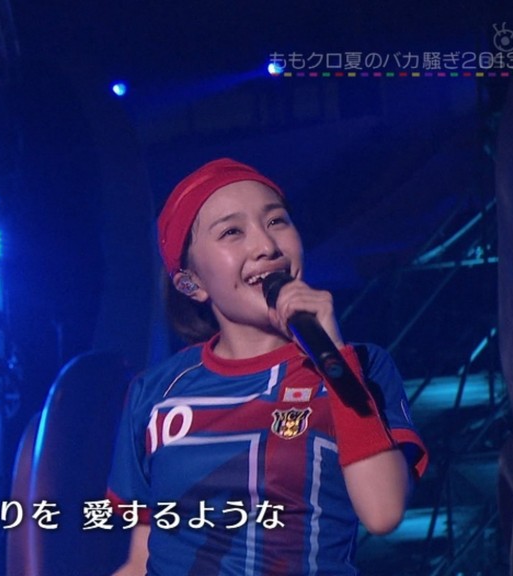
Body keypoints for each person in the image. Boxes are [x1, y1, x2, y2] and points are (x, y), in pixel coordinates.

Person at [106, 158, 428, 575]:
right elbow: (141, 559)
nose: (267, 246)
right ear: (191, 282)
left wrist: (334, 356)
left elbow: (383, 513)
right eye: (232, 232)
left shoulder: (362, 366)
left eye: (277, 221)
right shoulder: (154, 392)